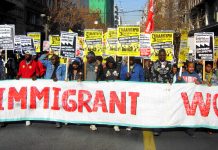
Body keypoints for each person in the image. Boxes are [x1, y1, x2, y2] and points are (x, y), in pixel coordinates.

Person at [39, 53, 66, 128]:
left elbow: (64, 76)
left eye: (53, 59)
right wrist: (48, 54)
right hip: (48, 86)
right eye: (51, 59)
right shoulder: (48, 64)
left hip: (57, 87)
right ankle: (48, 116)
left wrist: (58, 79)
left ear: (57, 59)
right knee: (47, 102)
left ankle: (57, 121)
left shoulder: (62, 66)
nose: (52, 60)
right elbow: (40, 60)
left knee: (56, 104)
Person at [150, 49, 172, 136]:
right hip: (157, 89)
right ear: (158, 55)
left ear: (165, 55)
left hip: (166, 90)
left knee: (165, 107)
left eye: (164, 55)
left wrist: (170, 81)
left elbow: (170, 75)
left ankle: (164, 124)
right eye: (161, 55)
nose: (162, 56)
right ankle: (156, 128)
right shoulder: (154, 64)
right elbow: (152, 76)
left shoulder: (169, 64)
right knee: (157, 108)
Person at [16, 50, 39, 126]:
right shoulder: (21, 63)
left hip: (31, 85)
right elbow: (19, 72)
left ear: (31, 56)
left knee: (30, 101)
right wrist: (18, 76)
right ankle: (23, 115)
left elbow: (38, 73)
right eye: (25, 55)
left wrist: (36, 76)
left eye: (28, 55)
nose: (27, 56)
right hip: (23, 84)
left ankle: (28, 118)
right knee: (23, 101)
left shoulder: (35, 63)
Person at [84, 51, 101, 131]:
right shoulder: (85, 64)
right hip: (87, 87)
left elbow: (101, 74)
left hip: (95, 87)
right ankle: (88, 120)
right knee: (87, 104)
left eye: (89, 57)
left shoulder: (98, 64)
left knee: (94, 105)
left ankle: (92, 122)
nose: (88, 59)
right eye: (87, 57)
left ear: (93, 57)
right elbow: (83, 74)